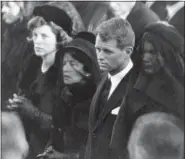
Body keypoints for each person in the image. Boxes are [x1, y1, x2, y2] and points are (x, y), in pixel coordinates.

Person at [7, 4, 73, 159]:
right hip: (26, 141)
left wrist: (32, 112)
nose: (37, 41)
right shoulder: (32, 63)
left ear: (59, 38)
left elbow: (66, 128)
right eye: (35, 35)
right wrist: (17, 104)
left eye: (44, 36)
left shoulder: (66, 71)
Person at [110, 21, 184, 159]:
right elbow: (119, 139)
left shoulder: (180, 94)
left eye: (153, 52)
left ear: (167, 53)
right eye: (143, 51)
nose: (146, 58)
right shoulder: (136, 88)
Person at [37, 32, 100, 159]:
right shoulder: (65, 96)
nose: (66, 69)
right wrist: (51, 150)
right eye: (64, 63)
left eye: (73, 64)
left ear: (88, 71)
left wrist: (62, 156)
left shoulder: (98, 103)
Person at [85, 17, 135, 159]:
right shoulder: (103, 78)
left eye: (107, 51)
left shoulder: (137, 88)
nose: (99, 57)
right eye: (98, 49)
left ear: (127, 51)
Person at [1, 1, 45, 103]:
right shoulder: (9, 30)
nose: (2, 10)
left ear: (24, 7)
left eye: (7, 5)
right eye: (2, 5)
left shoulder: (33, 37)